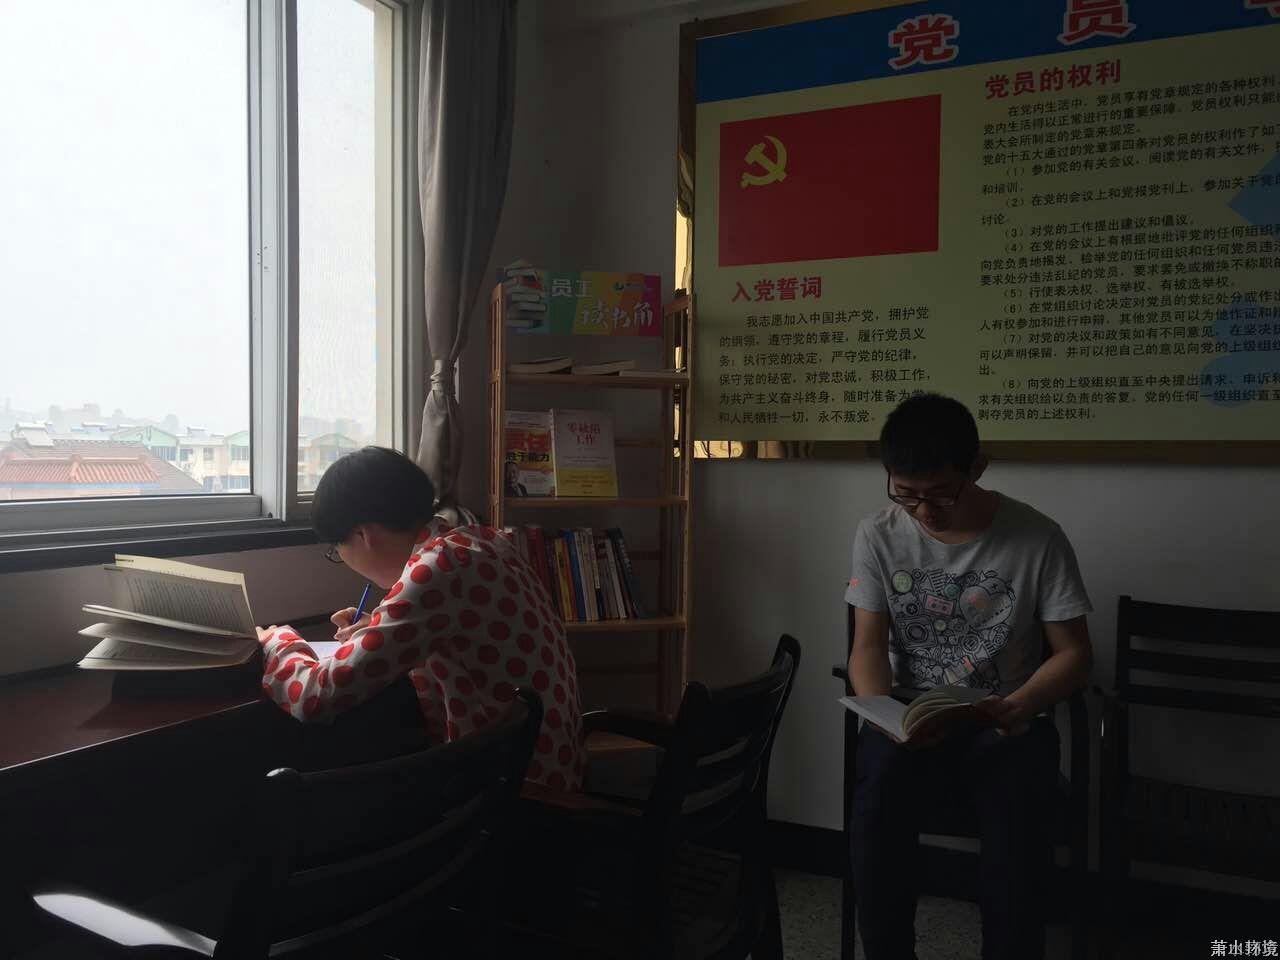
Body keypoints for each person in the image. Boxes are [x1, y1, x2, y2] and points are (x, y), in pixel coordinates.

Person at [844, 393, 1092, 960]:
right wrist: (881, 710)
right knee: (877, 796)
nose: (923, 511)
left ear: (976, 468)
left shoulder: (1037, 537)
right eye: (906, 494)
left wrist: (1021, 704)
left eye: (940, 494)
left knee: (1016, 815)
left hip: (1007, 718)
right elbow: (867, 646)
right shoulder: (878, 533)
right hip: (912, 716)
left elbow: (1075, 654)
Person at [257, 446, 584, 790]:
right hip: (550, 763)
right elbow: (463, 636)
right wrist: (377, 628)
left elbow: (316, 696)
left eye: (336, 550)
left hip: (511, 788)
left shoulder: (436, 569)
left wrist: (277, 640)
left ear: (363, 534)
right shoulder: (481, 541)